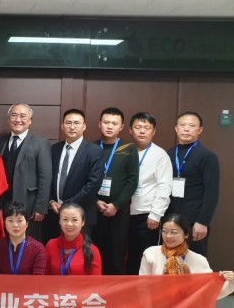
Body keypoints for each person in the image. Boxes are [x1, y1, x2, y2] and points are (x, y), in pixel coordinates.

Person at [0, 103, 52, 242]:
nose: (18, 119)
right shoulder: (0, 142)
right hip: (3, 203)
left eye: (23, 116)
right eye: (14, 115)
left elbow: (45, 177)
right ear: (8, 120)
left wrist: (40, 207)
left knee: (28, 242)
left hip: (28, 204)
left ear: (30, 121)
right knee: (4, 242)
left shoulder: (40, 143)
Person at [139, 214, 234, 299]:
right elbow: (143, 288)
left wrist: (231, 283)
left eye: (173, 232)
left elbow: (210, 292)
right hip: (157, 307)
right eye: (164, 231)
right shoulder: (150, 253)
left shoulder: (199, 260)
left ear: (186, 234)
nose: (168, 236)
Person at [45, 109, 103, 244]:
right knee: (55, 251)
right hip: (55, 213)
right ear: (62, 126)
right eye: (68, 123)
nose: (72, 127)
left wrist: (67, 204)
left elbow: (93, 184)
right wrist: (51, 201)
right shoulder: (55, 149)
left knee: (81, 253)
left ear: (84, 126)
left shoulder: (94, 151)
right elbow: (48, 178)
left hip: (82, 214)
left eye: (76, 123)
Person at [166, 112, 219, 256]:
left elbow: (211, 192)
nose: (186, 129)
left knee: (193, 262)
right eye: (182, 125)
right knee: (171, 260)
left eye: (191, 126)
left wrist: (203, 221)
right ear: (176, 128)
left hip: (194, 220)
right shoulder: (170, 153)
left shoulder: (207, 156)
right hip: (170, 218)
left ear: (200, 130)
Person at [94, 107, 139, 275]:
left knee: (116, 256)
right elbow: (85, 179)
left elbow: (132, 181)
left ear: (121, 127)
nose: (109, 126)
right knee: (95, 254)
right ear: (99, 124)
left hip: (119, 212)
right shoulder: (91, 147)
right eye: (106, 122)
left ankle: (115, 290)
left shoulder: (129, 148)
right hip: (94, 210)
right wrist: (95, 201)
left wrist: (116, 205)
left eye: (114, 123)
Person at [126, 112, 173, 275]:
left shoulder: (160, 155)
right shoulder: (125, 151)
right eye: (138, 127)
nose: (142, 131)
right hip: (124, 214)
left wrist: (156, 214)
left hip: (146, 216)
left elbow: (164, 186)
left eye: (146, 128)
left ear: (153, 131)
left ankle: (146, 288)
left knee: (146, 257)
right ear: (130, 130)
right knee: (129, 257)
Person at [45, 202, 102, 275]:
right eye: (65, 219)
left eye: (74, 220)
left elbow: (96, 280)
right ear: (59, 221)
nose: (69, 224)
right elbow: (45, 276)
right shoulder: (51, 245)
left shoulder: (92, 250)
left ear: (83, 222)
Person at [0, 202, 46, 275]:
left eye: (19, 221)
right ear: (5, 223)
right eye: (11, 220)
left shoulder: (38, 248)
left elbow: (38, 278)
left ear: (27, 223)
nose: (15, 225)